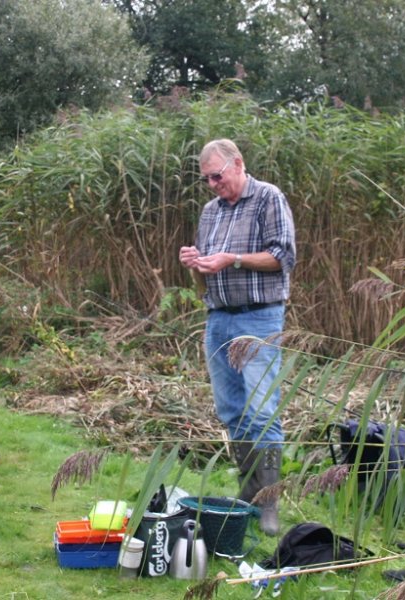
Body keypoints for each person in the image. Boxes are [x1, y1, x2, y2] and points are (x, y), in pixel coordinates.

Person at [179, 139, 296, 536]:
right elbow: (202, 281)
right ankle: (249, 495)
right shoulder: (210, 212)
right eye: (206, 180)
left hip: (260, 319)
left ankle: (269, 503)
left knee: (262, 412)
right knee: (232, 412)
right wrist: (194, 263)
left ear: (238, 164)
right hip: (218, 319)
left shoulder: (268, 198)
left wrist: (234, 259)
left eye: (217, 176)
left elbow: (284, 257)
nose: (213, 185)